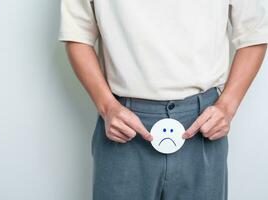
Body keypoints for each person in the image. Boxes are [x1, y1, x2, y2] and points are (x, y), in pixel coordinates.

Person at [58, 0, 268, 199]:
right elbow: (77, 34)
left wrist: (227, 107)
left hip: (203, 123)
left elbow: (254, 33)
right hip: (124, 125)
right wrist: (107, 107)